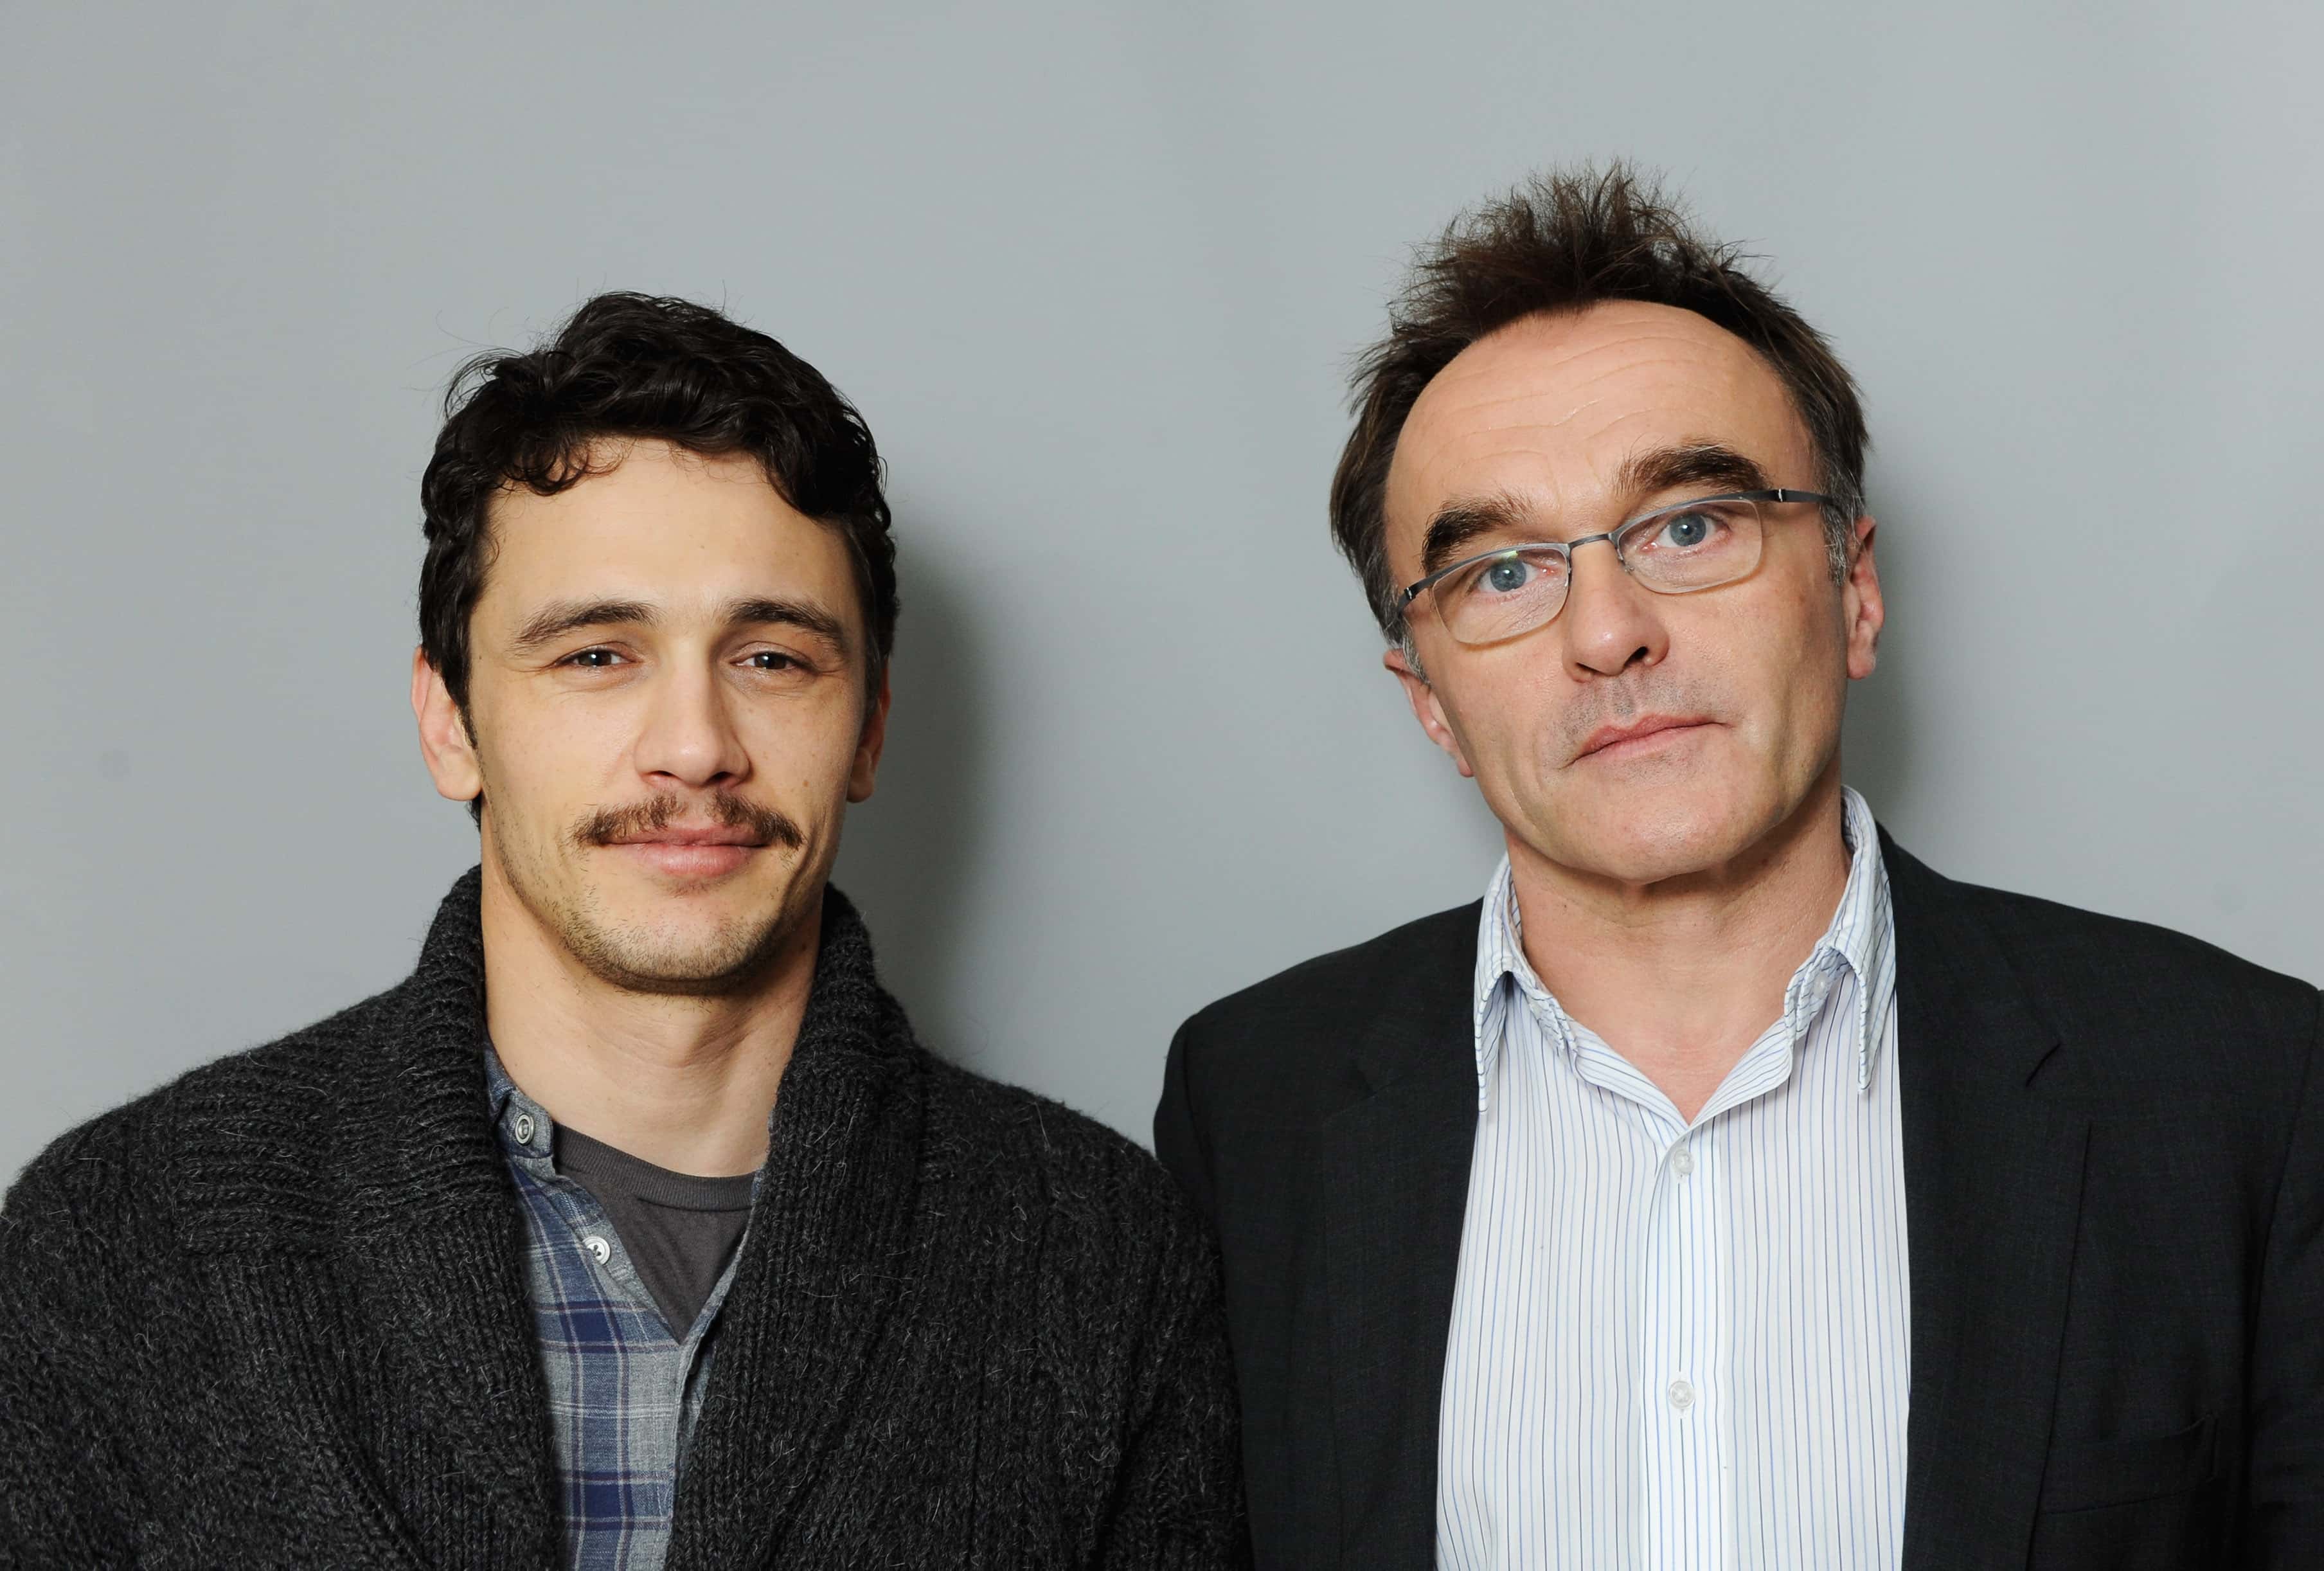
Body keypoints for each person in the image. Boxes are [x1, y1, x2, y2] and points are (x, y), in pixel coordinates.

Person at [1155, 168, 2321, 1570]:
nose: (1607, 634)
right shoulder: (1252, 1105)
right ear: (1430, 703)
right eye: (1503, 573)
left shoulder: (2241, 1088)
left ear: (1853, 591)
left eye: (1689, 526)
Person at [0, 292, 1247, 1570]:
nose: (694, 747)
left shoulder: (1100, 1257)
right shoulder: (126, 1238)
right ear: (449, 722)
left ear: (868, 729)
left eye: (772, 658)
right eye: (596, 655)